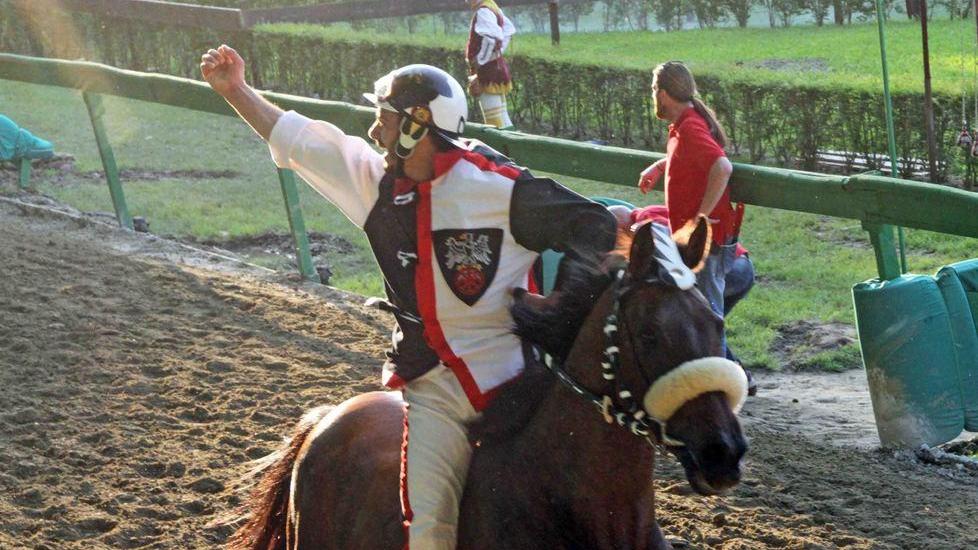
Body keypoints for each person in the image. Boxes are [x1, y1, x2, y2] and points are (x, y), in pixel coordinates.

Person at [200, 45, 616, 549]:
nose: (375, 132)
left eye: (385, 119)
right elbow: (297, 138)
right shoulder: (373, 183)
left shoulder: (502, 187)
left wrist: (562, 306)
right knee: (428, 536)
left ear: (418, 125)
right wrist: (236, 91)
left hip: (519, 387)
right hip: (432, 393)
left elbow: (593, 224)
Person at [634, 61, 756, 392]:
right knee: (700, 314)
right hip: (708, 244)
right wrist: (660, 166)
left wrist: (699, 219)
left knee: (706, 318)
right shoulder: (685, 124)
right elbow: (694, 158)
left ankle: (723, 388)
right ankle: (732, 377)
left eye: (653, 91)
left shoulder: (689, 127)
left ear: (661, 93)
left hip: (709, 244)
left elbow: (721, 166)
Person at [610, 203, 757, 396]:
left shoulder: (644, 219)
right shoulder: (651, 212)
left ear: (623, 225)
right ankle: (742, 377)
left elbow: (664, 240)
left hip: (726, 270)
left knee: (698, 322)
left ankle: (720, 386)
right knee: (701, 327)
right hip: (740, 268)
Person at [466, 0, 516, 129]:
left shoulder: (483, 11)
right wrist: (496, 55)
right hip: (496, 69)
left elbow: (491, 38)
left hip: (487, 73)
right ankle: (513, 146)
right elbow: (507, 31)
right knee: (502, 114)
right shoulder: (493, 7)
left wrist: (480, 60)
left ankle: (502, 148)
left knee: (493, 119)